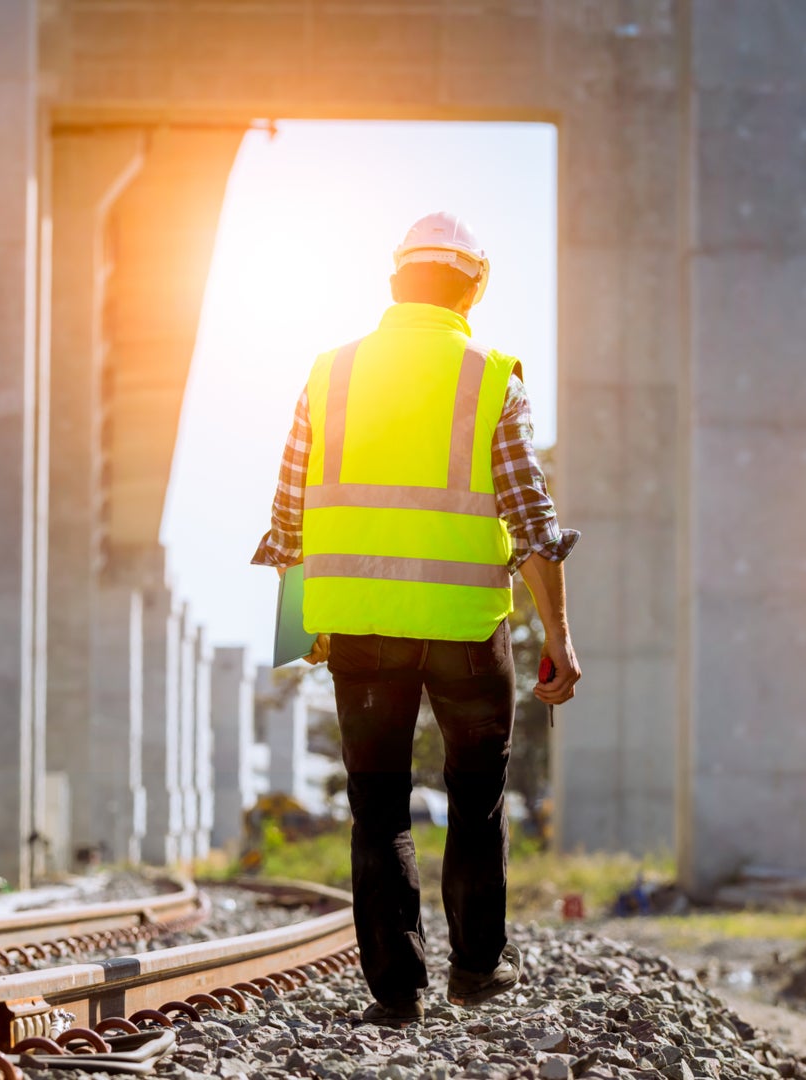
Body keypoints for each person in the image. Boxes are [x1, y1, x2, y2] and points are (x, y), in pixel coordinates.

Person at [252, 212, 582, 1025]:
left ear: (396, 281)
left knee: (379, 809)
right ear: (474, 285)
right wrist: (561, 642)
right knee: (475, 803)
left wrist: (303, 634)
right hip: (467, 633)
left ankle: (397, 996)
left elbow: (288, 524)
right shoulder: (490, 375)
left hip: (361, 632)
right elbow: (533, 523)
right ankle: (476, 972)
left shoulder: (328, 376)